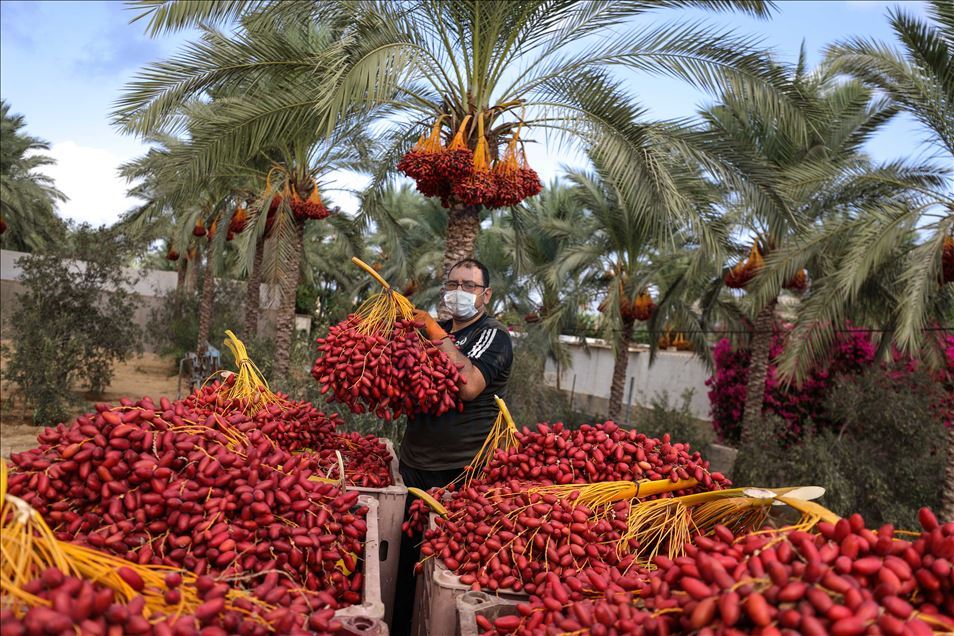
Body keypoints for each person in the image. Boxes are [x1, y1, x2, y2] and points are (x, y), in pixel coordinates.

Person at [392, 258, 514, 635]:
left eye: (469, 286)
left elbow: (469, 386)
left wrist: (434, 333)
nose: (458, 292)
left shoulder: (493, 335)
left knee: (440, 567)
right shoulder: (435, 330)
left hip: (460, 476)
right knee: (406, 570)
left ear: (485, 295)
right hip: (414, 466)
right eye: (453, 284)